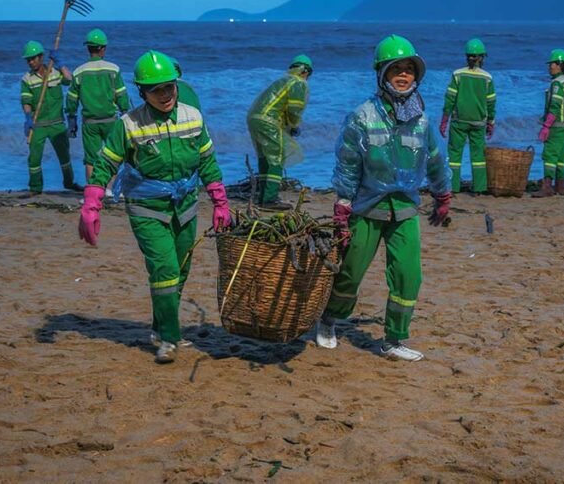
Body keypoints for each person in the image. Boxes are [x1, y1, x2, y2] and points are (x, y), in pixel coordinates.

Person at [77, 50, 232, 363]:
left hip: (186, 204)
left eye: (169, 87)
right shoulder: (129, 124)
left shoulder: (193, 116)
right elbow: (105, 163)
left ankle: (161, 328)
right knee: (165, 268)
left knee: (181, 268)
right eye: (156, 90)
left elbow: (207, 161)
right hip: (147, 206)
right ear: (142, 92)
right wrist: (91, 203)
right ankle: (170, 340)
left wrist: (220, 201)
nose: (165, 95)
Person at [315, 35, 451, 362]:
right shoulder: (362, 116)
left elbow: (434, 157)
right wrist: (343, 205)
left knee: (408, 274)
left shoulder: (422, 119)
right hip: (367, 207)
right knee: (350, 273)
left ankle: (393, 340)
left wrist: (442, 193)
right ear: (381, 74)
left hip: (404, 208)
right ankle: (329, 319)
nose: (404, 75)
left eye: (409, 70)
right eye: (396, 69)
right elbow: (348, 162)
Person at [246, 55, 312, 208]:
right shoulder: (298, 83)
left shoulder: (283, 80)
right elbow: (294, 110)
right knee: (277, 157)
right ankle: (270, 199)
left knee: (264, 157)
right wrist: (294, 126)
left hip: (254, 118)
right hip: (268, 120)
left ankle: (263, 196)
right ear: (305, 71)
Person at [65, 28, 131, 184]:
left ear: (88, 48)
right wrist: (125, 111)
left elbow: (72, 99)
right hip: (110, 120)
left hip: (90, 123)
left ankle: (92, 191)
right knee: (113, 155)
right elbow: (121, 94)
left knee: (91, 159)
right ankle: (109, 189)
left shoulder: (79, 72)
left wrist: (72, 118)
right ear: (102, 48)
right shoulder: (113, 69)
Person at [20, 40, 79, 194]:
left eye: (33, 58)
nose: (30, 62)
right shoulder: (27, 79)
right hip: (37, 124)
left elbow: (71, 80)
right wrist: (27, 117)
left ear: (41, 57)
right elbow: (26, 101)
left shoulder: (55, 73)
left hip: (56, 123)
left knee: (64, 156)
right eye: (28, 59)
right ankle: (35, 188)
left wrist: (60, 64)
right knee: (34, 159)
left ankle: (69, 183)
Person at [440, 38, 497, 194]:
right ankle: (479, 188)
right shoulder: (487, 77)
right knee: (478, 155)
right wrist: (491, 122)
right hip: (479, 122)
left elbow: (450, 98)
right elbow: (491, 102)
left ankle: (453, 187)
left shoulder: (457, 74)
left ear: (467, 56)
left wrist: (444, 120)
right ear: (482, 57)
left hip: (459, 121)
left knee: (454, 155)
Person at [533, 49, 564, 197]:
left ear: (559, 65)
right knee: (561, 157)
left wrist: (546, 126)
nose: (549, 67)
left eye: (552, 64)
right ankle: (561, 187)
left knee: (549, 155)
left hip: (556, 126)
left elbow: (555, 106)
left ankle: (547, 187)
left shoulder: (557, 84)